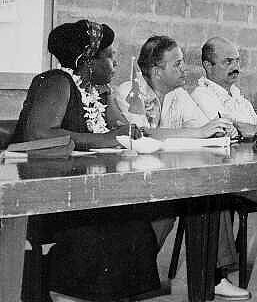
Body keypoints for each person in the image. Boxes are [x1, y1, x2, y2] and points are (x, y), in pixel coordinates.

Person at [11, 20, 161, 301]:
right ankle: (67, 293)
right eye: (110, 57)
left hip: (82, 190)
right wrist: (105, 139)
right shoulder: (56, 80)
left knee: (135, 223)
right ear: (87, 61)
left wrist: (124, 128)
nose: (115, 65)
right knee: (102, 230)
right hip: (42, 194)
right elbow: (40, 132)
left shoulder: (98, 89)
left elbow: (119, 128)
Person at [115, 35, 251, 301]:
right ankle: (129, 274)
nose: (184, 69)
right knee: (159, 214)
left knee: (213, 193)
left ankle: (213, 276)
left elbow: (202, 126)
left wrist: (216, 130)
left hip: (171, 178)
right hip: (135, 181)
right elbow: (141, 134)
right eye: (177, 64)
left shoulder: (179, 94)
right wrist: (200, 131)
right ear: (156, 71)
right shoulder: (128, 91)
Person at [191, 37, 257, 138]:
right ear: (208, 66)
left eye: (237, 61)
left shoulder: (240, 99)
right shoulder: (201, 96)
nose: (236, 67)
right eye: (228, 62)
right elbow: (230, 131)